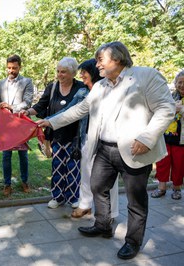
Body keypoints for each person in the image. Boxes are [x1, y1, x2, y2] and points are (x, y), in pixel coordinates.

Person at [37, 41, 175, 260]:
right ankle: (103, 225)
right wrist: (50, 122)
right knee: (97, 186)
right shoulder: (101, 86)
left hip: (136, 149)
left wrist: (147, 138)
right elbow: (79, 110)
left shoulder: (146, 76)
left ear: (117, 59)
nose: (97, 65)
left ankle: (133, 241)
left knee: (136, 200)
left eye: (100, 59)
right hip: (104, 149)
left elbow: (166, 109)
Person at [22, 57, 84, 209]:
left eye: (63, 72)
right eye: (58, 71)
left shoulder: (81, 88)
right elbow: (41, 105)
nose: (59, 75)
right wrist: (27, 111)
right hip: (55, 135)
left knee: (73, 168)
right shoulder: (53, 87)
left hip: (74, 136)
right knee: (57, 167)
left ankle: (73, 197)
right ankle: (57, 197)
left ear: (73, 73)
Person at [64, 59, 119, 219]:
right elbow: (69, 111)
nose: (81, 75)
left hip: (108, 140)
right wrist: (47, 121)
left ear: (93, 73)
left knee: (109, 178)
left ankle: (112, 213)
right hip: (87, 137)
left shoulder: (109, 90)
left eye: (84, 72)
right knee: (86, 172)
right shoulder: (82, 92)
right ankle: (85, 205)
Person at [0, 54, 34, 196]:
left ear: (20, 67)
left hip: (21, 124)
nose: (11, 71)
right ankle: (7, 184)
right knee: (6, 155)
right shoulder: (1, 83)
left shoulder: (27, 82)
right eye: (9, 68)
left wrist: (11, 107)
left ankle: (25, 181)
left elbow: (27, 102)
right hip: (5, 126)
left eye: (14, 68)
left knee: (23, 154)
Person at [151, 70, 184, 200]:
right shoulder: (169, 96)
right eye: (179, 82)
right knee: (162, 164)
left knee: (179, 165)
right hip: (165, 138)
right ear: (175, 83)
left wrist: (181, 109)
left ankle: (177, 189)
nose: (182, 85)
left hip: (181, 141)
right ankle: (161, 188)